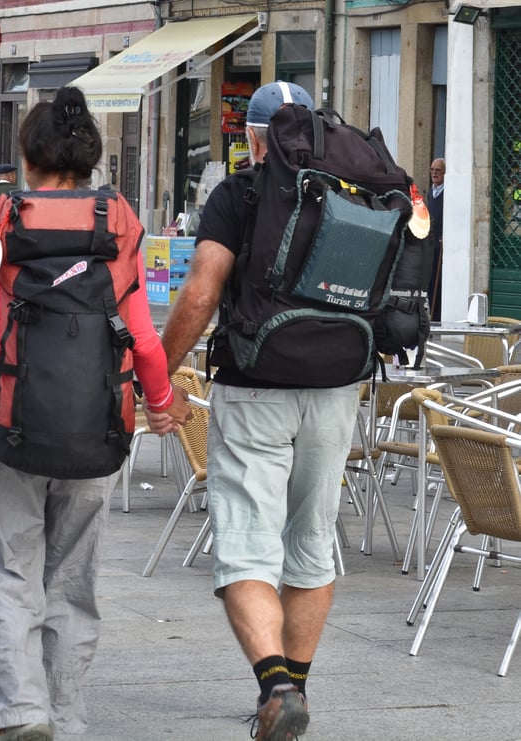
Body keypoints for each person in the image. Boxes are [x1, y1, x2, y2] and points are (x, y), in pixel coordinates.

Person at [0, 86, 191, 741]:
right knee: (72, 575)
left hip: (3, 421)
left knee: (8, 569)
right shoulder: (118, 219)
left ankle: (21, 710)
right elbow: (144, 337)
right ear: (87, 158)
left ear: (27, 157)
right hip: (98, 422)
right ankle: (63, 712)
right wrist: (163, 405)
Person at [154, 81, 360, 740]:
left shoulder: (239, 194)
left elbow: (200, 294)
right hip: (337, 387)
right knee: (310, 544)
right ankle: (294, 689)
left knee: (244, 541)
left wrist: (152, 371)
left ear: (253, 138)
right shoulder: (351, 190)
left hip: (255, 385)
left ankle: (275, 684)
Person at [427, 157, 445, 321]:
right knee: (429, 278)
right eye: (432, 170)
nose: (434, 173)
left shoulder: (447, 193)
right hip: (430, 243)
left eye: (438, 170)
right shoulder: (430, 192)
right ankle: (430, 313)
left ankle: (437, 314)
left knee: (438, 281)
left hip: (441, 244)